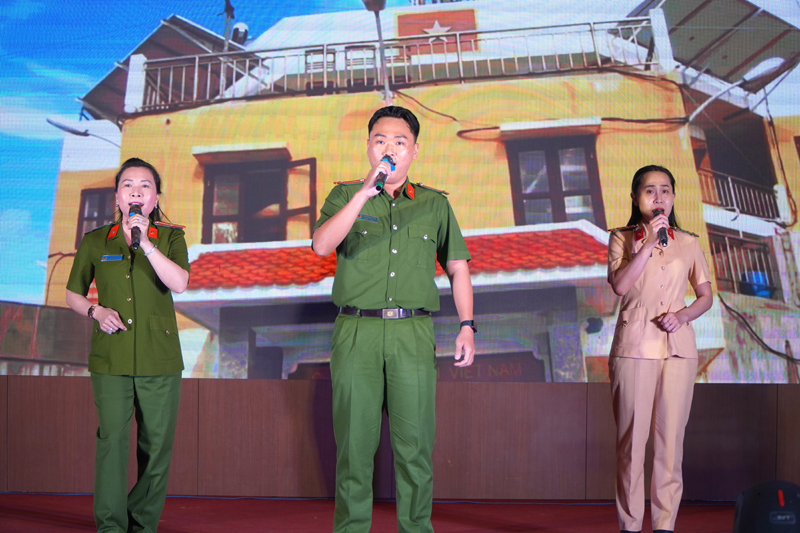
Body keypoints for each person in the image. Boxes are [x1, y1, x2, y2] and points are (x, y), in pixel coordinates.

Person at [312, 105, 476, 533]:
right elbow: (321, 246)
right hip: (356, 331)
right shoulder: (344, 196)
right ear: (368, 147)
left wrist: (467, 325)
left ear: (414, 151)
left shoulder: (435, 204)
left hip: (412, 333)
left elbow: (457, 267)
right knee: (354, 447)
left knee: (415, 446)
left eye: (400, 142)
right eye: (381, 140)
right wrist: (363, 195)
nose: (390, 148)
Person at [65, 157, 190, 533]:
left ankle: (142, 523)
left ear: (155, 198)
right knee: (112, 441)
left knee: (157, 447)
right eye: (128, 185)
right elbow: (73, 294)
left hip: (160, 358)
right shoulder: (94, 241)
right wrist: (95, 311)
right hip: (111, 357)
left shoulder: (171, 237)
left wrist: (147, 243)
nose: (136, 191)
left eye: (145, 186)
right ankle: (110, 526)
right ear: (117, 197)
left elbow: (180, 283)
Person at [607, 165, 713, 533]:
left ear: (673, 197)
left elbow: (705, 295)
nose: (659, 197)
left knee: (671, 446)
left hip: (678, 350)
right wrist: (649, 242)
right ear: (636, 197)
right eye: (650, 190)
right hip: (634, 347)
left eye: (665, 190)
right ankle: (630, 525)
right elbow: (620, 286)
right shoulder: (622, 238)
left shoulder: (689, 242)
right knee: (632, 444)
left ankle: (665, 525)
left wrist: (682, 316)